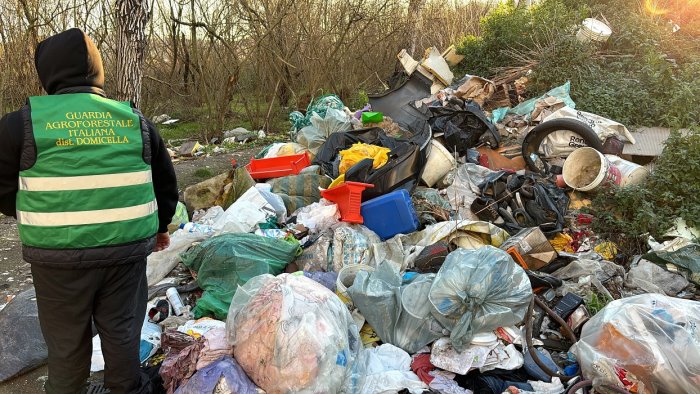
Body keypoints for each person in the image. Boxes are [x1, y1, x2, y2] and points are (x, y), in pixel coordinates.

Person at [0, 28, 178, 394]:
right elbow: (164, 182)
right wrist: (161, 226)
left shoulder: (22, 124)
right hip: (125, 254)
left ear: (48, 72)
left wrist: (40, 215)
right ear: (97, 72)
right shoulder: (134, 120)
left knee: (66, 346)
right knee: (122, 333)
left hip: (57, 260)